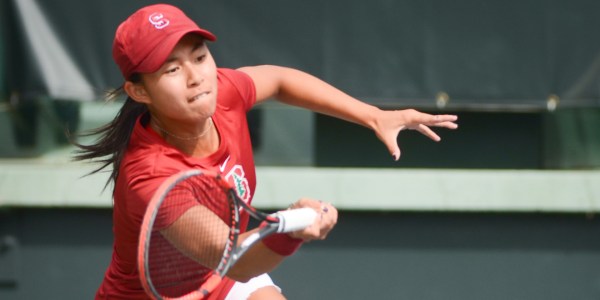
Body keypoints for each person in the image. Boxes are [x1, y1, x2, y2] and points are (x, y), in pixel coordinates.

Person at [73, 3, 458, 300]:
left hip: (218, 278)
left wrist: (373, 117)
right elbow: (235, 260)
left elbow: (278, 80)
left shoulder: (220, 92)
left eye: (200, 57)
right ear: (139, 92)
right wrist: (291, 232)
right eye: (171, 70)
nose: (196, 78)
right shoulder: (152, 176)